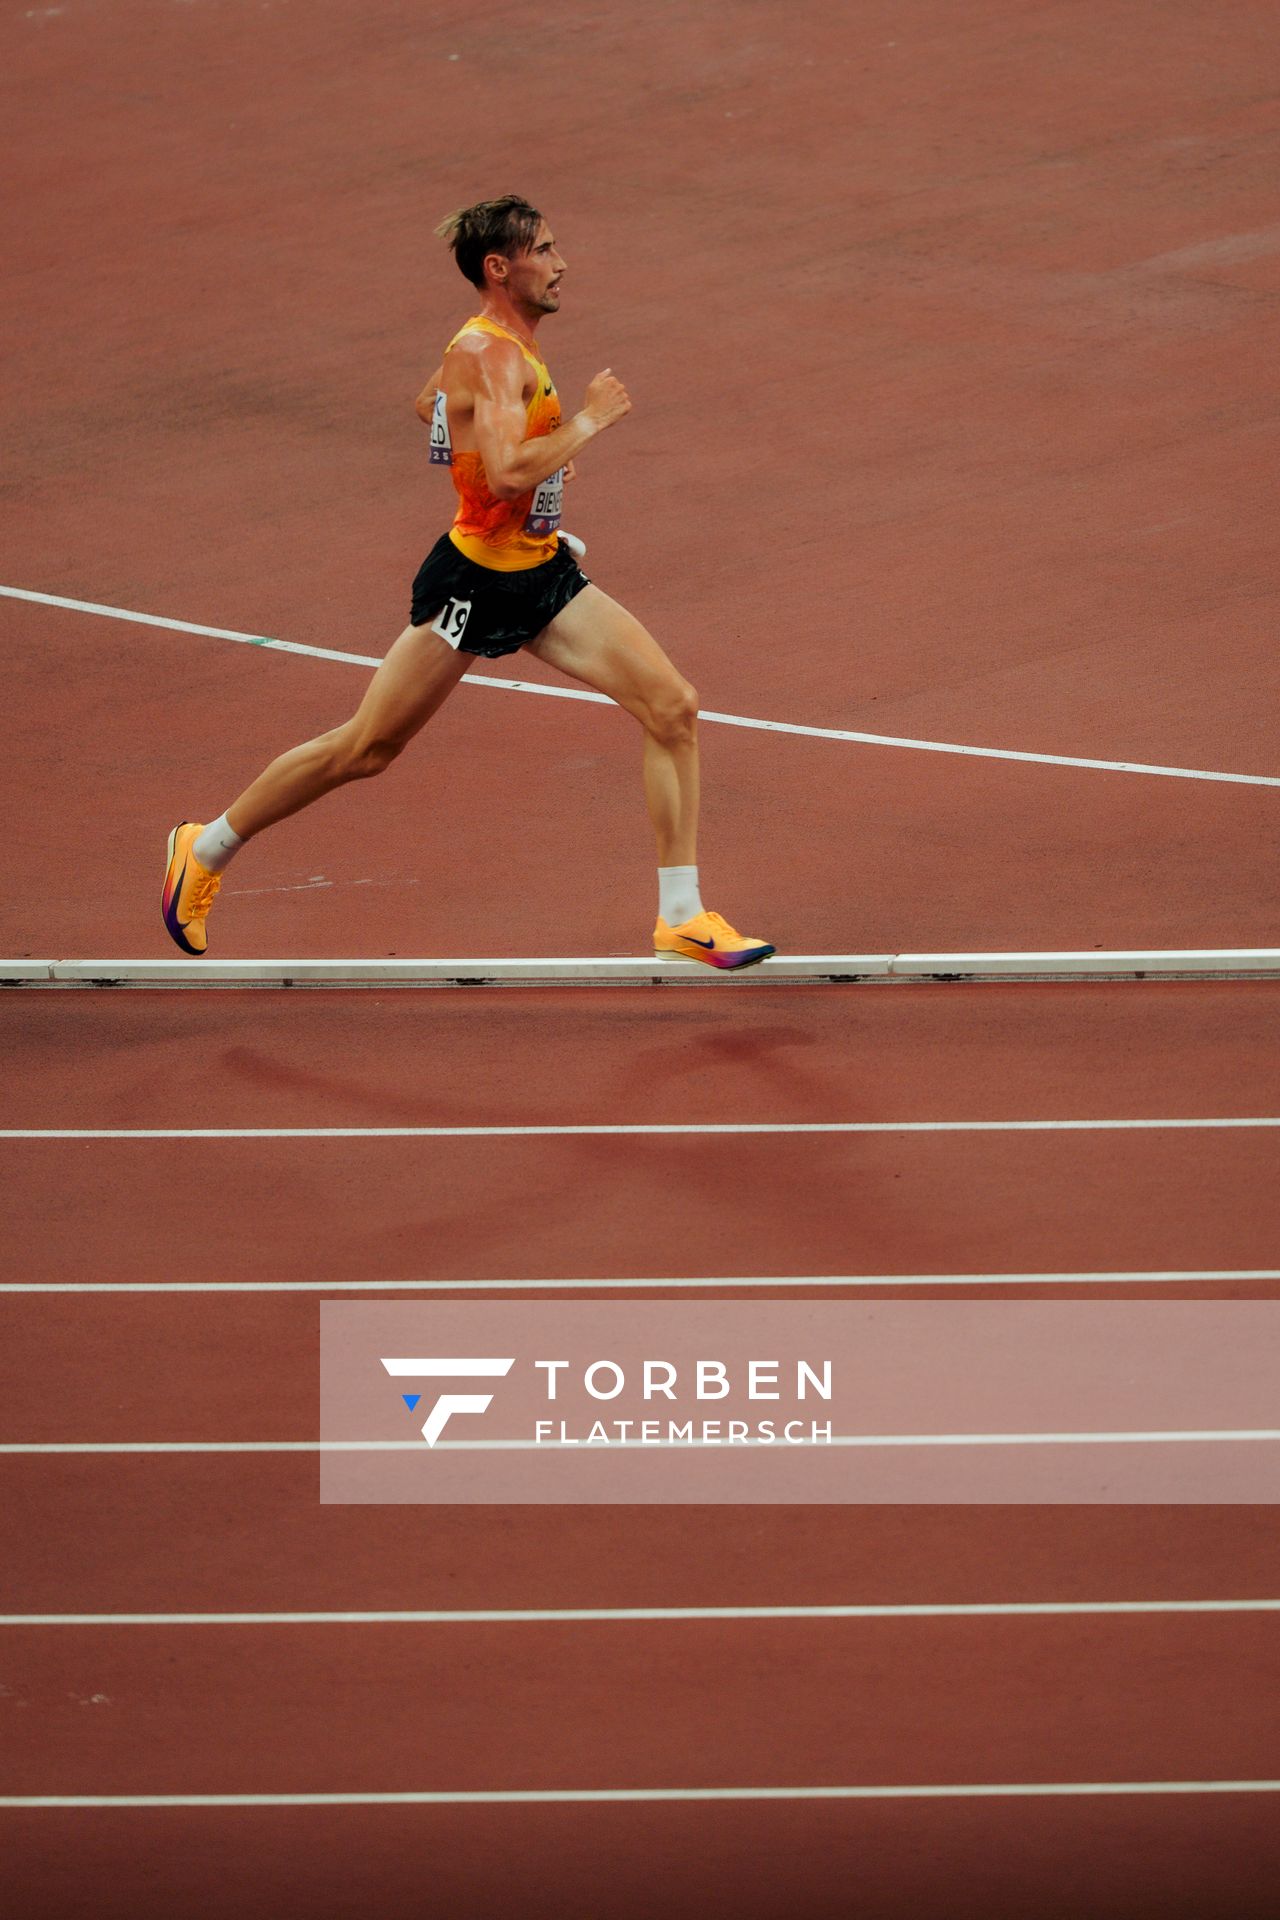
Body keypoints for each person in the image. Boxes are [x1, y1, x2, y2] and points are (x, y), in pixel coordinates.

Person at [162, 194, 774, 969]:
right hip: (474, 581)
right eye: (545, 251)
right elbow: (508, 461)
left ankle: (682, 917)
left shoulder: (498, 349)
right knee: (366, 748)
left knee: (672, 706)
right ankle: (204, 847)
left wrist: (522, 447)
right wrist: (583, 423)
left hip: (540, 573)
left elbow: (432, 408)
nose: (561, 264)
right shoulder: (489, 353)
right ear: (499, 267)